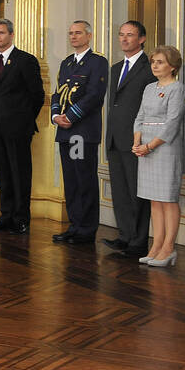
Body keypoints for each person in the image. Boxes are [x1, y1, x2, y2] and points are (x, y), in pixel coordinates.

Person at [50, 20, 108, 245]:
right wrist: (56, 116)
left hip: (81, 133)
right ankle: (74, 226)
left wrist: (70, 117)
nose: (73, 37)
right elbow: (58, 93)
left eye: (78, 33)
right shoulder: (66, 63)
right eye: (70, 33)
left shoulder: (97, 62)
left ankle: (86, 229)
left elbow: (94, 95)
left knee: (84, 180)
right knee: (71, 181)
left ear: (89, 36)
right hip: (65, 132)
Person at [0, 18, 44, 234]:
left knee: (20, 175)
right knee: (3, 176)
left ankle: (21, 219)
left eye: (1, 33)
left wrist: (25, 120)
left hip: (18, 128)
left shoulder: (25, 60)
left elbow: (37, 95)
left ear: (11, 35)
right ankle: (6, 216)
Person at [132, 46, 185, 267]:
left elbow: (172, 123)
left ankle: (168, 248)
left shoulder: (177, 88)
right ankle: (156, 245)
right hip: (145, 147)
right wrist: (137, 142)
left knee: (168, 198)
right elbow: (140, 117)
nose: (155, 65)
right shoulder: (148, 88)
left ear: (172, 66)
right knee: (154, 199)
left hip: (165, 148)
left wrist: (150, 146)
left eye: (160, 62)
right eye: (153, 61)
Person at [105, 20, 155, 259]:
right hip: (115, 137)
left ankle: (138, 241)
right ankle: (124, 236)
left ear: (142, 39)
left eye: (130, 35)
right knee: (120, 191)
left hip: (137, 139)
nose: (124, 39)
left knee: (137, 193)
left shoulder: (149, 67)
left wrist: (144, 139)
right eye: (121, 35)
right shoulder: (115, 68)